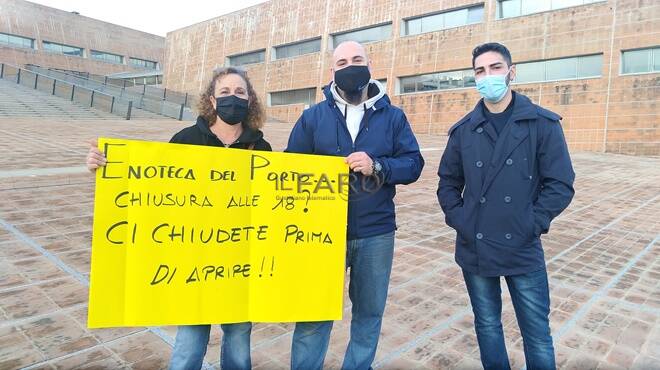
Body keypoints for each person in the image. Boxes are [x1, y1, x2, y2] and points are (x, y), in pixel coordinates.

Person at [86, 67, 272, 370]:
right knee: (189, 346)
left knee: (239, 341)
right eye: (224, 93)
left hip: (240, 262)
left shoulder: (262, 148)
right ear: (212, 100)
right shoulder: (185, 139)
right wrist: (103, 165)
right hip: (193, 263)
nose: (232, 98)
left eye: (240, 92)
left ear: (250, 99)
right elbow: (154, 190)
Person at [285, 40, 425, 370]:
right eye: (343, 61)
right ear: (332, 71)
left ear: (369, 64)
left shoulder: (392, 117)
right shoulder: (312, 118)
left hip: (376, 233)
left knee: (369, 314)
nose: (351, 66)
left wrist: (378, 165)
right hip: (322, 235)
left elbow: (413, 164)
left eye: (357, 59)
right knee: (313, 315)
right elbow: (290, 170)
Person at [437, 42, 575, 370]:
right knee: (487, 326)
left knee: (537, 333)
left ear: (511, 72)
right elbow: (447, 183)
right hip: (476, 246)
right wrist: (461, 220)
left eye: (495, 68)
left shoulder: (541, 124)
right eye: (480, 71)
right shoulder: (463, 130)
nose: (488, 76)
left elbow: (560, 184)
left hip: (522, 245)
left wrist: (533, 222)